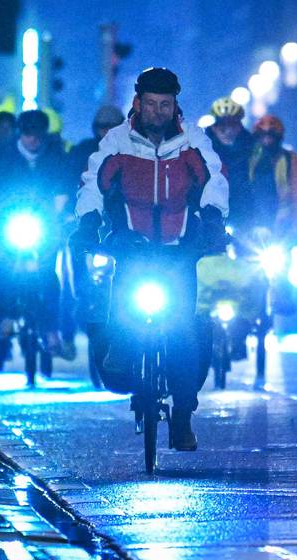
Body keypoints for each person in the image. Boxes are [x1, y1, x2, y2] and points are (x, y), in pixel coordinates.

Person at [72, 67, 228, 451]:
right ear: (138, 103)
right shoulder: (117, 141)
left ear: (175, 105)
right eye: (152, 104)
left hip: (179, 252)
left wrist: (211, 219)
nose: (158, 112)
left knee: (183, 334)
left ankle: (183, 417)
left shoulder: (192, 141)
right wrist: (89, 222)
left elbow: (215, 182)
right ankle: (122, 361)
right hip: (132, 247)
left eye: (166, 105)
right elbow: (93, 184)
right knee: (122, 317)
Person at [0, 109, 72, 367]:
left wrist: (62, 213)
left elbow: (64, 187)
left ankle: (51, 330)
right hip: (10, 224)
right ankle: (3, 318)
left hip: (44, 226)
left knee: (49, 276)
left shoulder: (55, 156)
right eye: (28, 135)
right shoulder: (3, 157)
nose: (33, 141)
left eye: (38, 135)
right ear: (20, 134)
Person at [61, 105, 126, 358]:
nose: (107, 132)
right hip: (88, 228)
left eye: (112, 127)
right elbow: (67, 184)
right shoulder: (82, 153)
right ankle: (68, 331)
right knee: (71, 283)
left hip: (121, 229)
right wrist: (68, 213)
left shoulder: (131, 151)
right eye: (102, 128)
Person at [247, 114, 297, 237]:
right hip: (250, 230)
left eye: (271, 137)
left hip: (282, 230)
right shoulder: (247, 159)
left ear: (279, 138)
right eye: (262, 137)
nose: (266, 141)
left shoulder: (290, 160)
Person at [205, 97, 255, 228]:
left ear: (240, 126)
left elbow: (263, 187)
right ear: (214, 127)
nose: (228, 131)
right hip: (211, 220)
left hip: (246, 220)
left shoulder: (254, 150)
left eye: (233, 125)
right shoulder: (200, 150)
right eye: (222, 126)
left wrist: (261, 224)